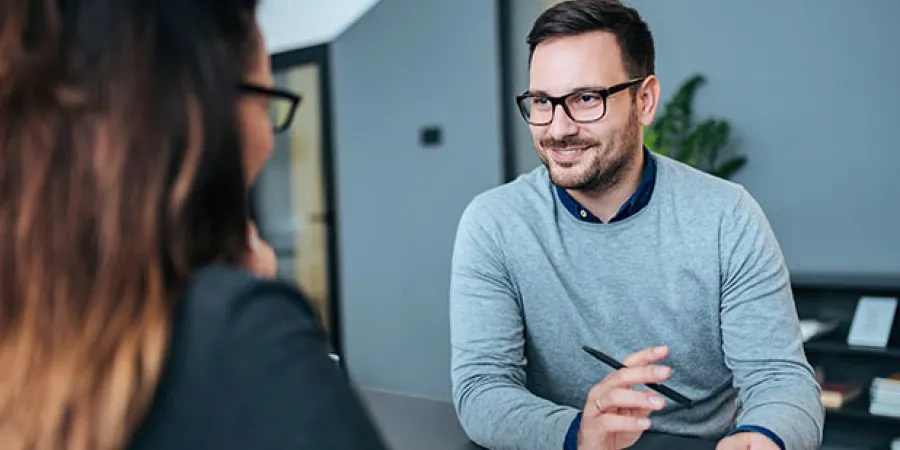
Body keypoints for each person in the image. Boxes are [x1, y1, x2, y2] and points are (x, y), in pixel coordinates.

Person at [0, 1, 387, 449]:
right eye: (267, 103)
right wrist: (241, 308)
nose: (268, 139)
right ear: (200, 117)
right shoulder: (239, 340)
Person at [449, 1, 823, 449]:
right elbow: (482, 388)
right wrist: (578, 433)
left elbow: (779, 377)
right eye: (543, 102)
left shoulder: (726, 216)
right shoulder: (495, 223)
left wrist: (764, 436)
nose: (558, 127)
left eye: (586, 99)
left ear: (643, 100)